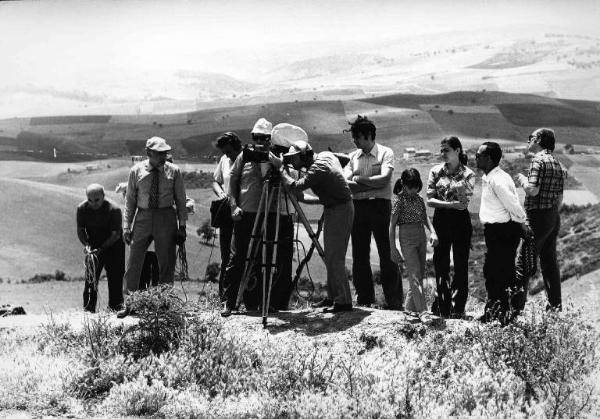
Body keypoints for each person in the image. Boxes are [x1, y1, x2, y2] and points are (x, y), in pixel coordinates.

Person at [221, 118, 294, 316]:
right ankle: (229, 302)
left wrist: (276, 164)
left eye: (264, 137)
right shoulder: (243, 156)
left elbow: (289, 181)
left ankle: (265, 302)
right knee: (238, 259)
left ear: (270, 139)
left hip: (270, 215)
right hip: (245, 214)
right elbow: (231, 184)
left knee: (268, 259)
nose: (260, 141)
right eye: (256, 137)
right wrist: (234, 207)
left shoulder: (277, 157)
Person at [274, 140, 354, 312]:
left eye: (294, 158)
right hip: (336, 207)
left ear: (304, 156)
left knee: (335, 257)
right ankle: (333, 297)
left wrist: (281, 168)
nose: (292, 162)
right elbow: (345, 159)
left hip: (339, 209)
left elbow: (295, 187)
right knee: (331, 255)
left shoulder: (317, 169)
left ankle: (344, 301)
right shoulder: (325, 155)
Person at [117, 137, 188, 318]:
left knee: (166, 261)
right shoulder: (136, 171)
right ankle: (130, 304)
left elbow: (180, 200)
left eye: (165, 152)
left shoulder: (174, 171)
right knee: (134, 261)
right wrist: (126, 226)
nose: (163, 156)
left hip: (166, 216)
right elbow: (130, 200)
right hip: (143, 216)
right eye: (159, 153)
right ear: (148, 153)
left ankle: (165, 304)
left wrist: (182, 226)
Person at [344, 115, 402, 309]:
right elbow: (346, 185)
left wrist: (359, 179)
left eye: (357, 136)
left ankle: (394, 301)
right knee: (360, 254)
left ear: (368, 135)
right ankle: (364, 299)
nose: (354, 140)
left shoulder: (386, 153)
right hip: (359, 208)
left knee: (388, 253)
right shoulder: (352, 157)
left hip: (380, 207)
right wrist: (371, 182)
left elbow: (384, 180)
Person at [476, 142, 531, 323]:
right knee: (495, 271)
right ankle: (497, 311)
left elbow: (512, 204)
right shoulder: (494, 176)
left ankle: (501, 314)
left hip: (502, 231)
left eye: (479, 155)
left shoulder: (497, 180)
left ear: (489, 158)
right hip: (497, 231)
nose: (476, 157)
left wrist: (522, 223)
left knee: (498, 272)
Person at [516, 128, 566, 311]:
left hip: (537, 217)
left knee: (524, 263)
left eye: (530, 138)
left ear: (538, 139)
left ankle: (515, 310)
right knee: (550, 263)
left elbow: (532, 190)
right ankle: (555, 307)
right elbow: (560, 199)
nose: (529, 141)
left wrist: (522, 179)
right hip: (553, 216)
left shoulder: (538, 160)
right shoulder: (558, 164)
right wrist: (550, 215)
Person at [427, 136, 475, 318]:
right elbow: (429, 200)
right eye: (441, 150)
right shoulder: (435, 171)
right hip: (441, 219)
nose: (443, 153)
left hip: (460, 221)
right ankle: (442, 305)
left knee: (461, 265)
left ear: (457, 150)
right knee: (441, 264)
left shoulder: (469, 173)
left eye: (446, 150)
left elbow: (463, 204)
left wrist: (457, 198)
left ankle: (458, 307)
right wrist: (451, 204)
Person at [389, 169, 438, 315]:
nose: (414, 190)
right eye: (411, 187)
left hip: (421, 236)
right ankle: (423, 311)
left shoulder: (419, 199)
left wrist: (433, 232)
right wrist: (393, 248)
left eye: (416, 186)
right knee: (415, 275)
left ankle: (409, 308)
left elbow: (425, 217)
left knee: (419, 274)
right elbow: (391, 226)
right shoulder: (399, 201)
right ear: (403, 184)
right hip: (407, 238)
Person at [76, 183, 125, 312]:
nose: (94, 203)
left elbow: (115, 235)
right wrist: (86, 245)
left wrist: (101, 249)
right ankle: (89, 310)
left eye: (97, 200)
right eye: (90, 200)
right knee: (90, 279)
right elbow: (80, 230)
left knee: (115, 279)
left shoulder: (114, 210)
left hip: (114, 247)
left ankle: (115, 309)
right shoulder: (82, 208)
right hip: (93, 246)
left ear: (103, 196)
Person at [212, 132, 242, 300]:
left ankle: (240, 297)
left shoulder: (246, 159)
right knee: (225, 256)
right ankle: (223, 297)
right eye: (224, 151)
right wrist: (221, 193)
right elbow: (215, 180)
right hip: (227, 211)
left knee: (239, 255)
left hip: (243, 212)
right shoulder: (224, 159)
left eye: (229, 151)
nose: (227, 154)